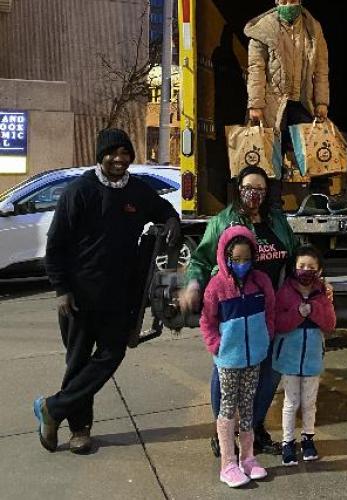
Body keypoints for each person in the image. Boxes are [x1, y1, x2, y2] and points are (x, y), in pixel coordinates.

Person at [36, 128, 181, 454]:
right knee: (77, 364)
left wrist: (171, 221)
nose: (119, 159)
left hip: (118, 296)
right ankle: (79, 430)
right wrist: (61, 289)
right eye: (112, 153)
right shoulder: (80, 191)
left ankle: (52, 408)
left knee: (111, 354)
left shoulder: (137, 191)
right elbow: (55, 245)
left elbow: (164, 211)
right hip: (79, 296)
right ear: (100, 156)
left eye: (124, 153)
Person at [181, 165, 298, 456]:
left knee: (268, 372)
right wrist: (194, 285)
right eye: (248, 188)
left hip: (269, 310)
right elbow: (200, 259)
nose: (253, 195)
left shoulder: (277, 220)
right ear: (238, 189)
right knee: (229, 372)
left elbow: (295, 254)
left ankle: (253, 427)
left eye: (259, 189)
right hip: (236, 310)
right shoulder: (224, 221)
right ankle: (222, 431)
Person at [200, 226, 275, 487]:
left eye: (247, 259)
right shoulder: (216, 286)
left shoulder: (261, 282)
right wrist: (216, 345)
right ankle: (228, 463)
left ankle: (248, 458)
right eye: (237, 259)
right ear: (226, 257)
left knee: (248, 407)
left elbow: (270, 312)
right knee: (228, 407)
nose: (242, 264)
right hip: (229, 360)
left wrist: (265, 336)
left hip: (254, 356)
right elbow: (207, 320)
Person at [273, 245, 336, 466]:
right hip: (289, 358)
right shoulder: (285, 292)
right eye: (301, 266)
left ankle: (308, 439)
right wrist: (297, 314)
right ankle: (287, 442)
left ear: (319, 270)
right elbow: (278, 323)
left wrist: (315, 311)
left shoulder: (322, 294)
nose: (306, 270)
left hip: (311, 359)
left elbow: (330, 324)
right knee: (291, 402)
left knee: (309, 403)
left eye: (311, 267)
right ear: (294, 268)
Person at [245, 0, 329, 149]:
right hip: (273, 105)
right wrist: (255, 105)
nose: (289, 5)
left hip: (302, 102)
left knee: (308, 156)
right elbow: (256, 70)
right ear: (277, 2)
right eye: (284, 1)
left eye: (293, 1)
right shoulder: (263, 29)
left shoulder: (313, 28)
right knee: (272, 156)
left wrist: (322, 102)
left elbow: (321, 68)